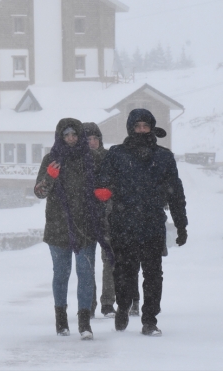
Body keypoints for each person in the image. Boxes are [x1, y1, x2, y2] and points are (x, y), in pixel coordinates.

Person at [95, 109, 188, 336]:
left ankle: (149, 320)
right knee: (124, 273)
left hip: (152, 224)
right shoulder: (116, 154)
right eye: (137, 127)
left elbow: (176, 193)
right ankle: (124, 306)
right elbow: (100, 184)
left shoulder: (164, 157)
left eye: (146, 126)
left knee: (153, 274)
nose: (142, 130)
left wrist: (181, 224)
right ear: (130, 128)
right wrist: (108, 192)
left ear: (151, 128)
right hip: (123, 224)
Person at [34, 118, 110, 340]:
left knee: (85, 275)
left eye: (74, 134)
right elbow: (39, 192)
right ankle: (61, 321)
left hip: (86, 226)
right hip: (58, 227)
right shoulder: (51, 160)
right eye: (66, 134)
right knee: (61, 274)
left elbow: (106, 183)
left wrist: (104, 192)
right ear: (60, 136)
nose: (70, 138)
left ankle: (85, 323)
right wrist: (50, 176)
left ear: (80, 136)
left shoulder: (92, 158)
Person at [82, 122, 117, 318]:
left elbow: (118, 180)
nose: (93, 142)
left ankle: (107, 303)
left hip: (107, 215)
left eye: (96, 139)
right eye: (88, 139)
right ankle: (90, 303)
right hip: (85, 217)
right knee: (87, 263)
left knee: (109, 260)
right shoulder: (78, 160)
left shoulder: (109, 158)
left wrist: (109, 191)